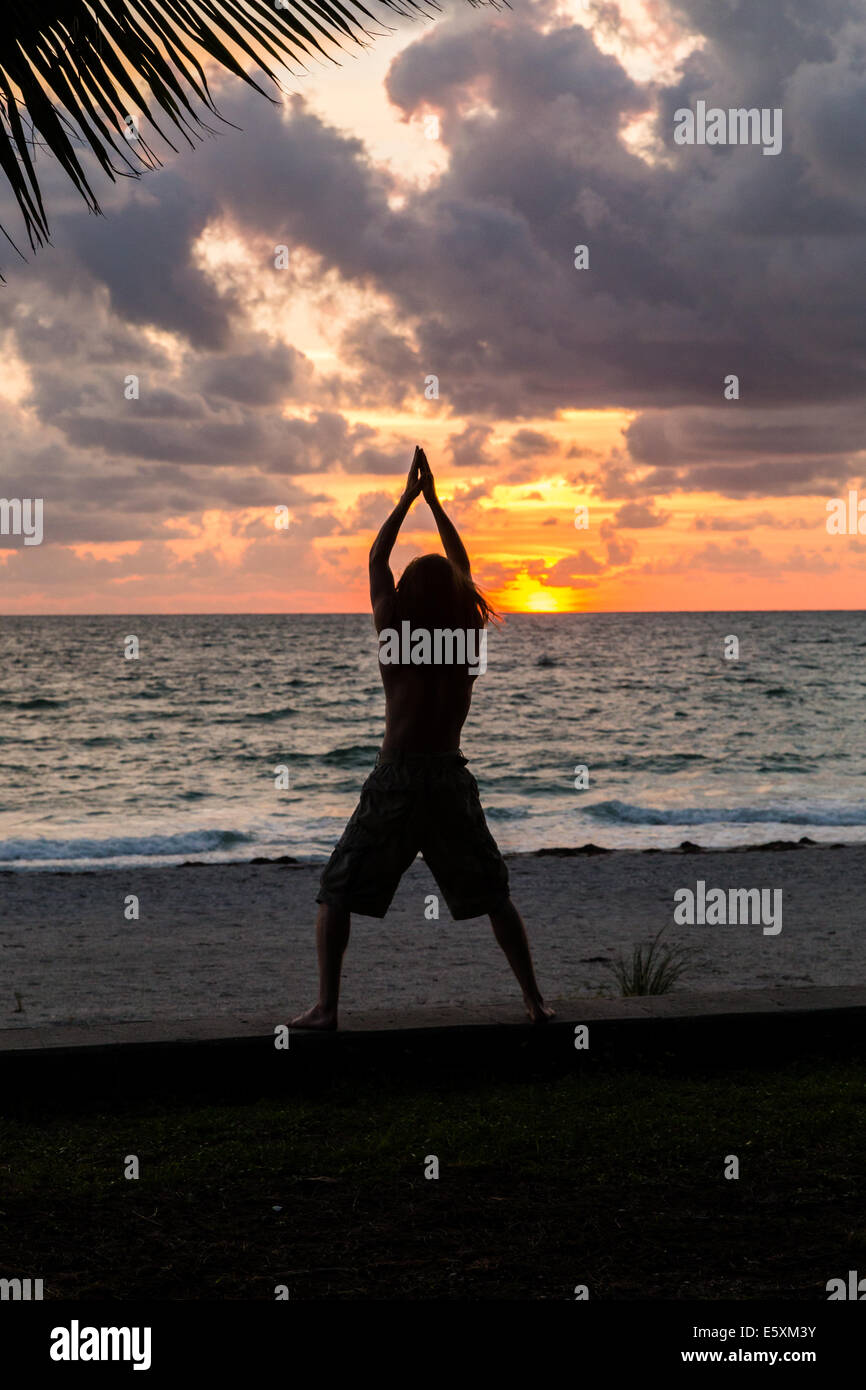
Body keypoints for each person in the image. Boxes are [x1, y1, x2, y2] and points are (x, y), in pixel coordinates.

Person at [291, 447, 554, 1030]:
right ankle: (535, 1002)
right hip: (448, 775)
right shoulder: (465, 640)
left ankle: (328, 1009)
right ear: (458, 597)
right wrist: (436, 502)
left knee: (336, 891)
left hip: (399, 777)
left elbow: (376, 557)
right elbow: (461, 564)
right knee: (494, 894)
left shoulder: (395, 636)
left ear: (408, 594)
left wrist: (407, 498)